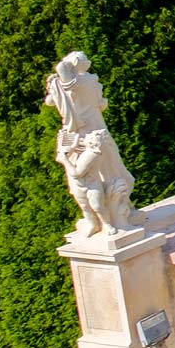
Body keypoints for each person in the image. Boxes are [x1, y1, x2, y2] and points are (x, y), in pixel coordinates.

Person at [44, 51, 139, 238]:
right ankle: (118, 213)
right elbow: (101, 104)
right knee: (110, 169)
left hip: (84, 134)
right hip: (96, 130)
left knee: (89, 176)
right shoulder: (89, 82)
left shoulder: (78, 82)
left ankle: (103, 220)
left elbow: (60, 72)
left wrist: (59, 77)